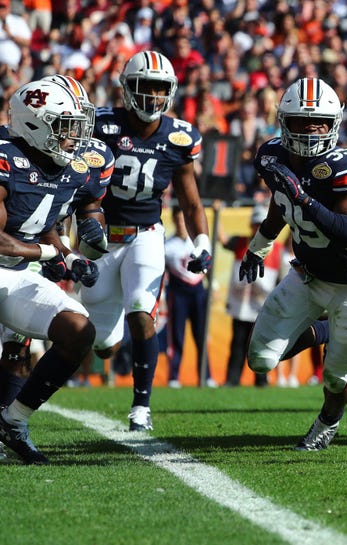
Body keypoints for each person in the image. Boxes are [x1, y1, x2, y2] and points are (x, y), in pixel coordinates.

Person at [239, 76, 347, 451]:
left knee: (337, 379)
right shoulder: (271, 155)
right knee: (259, 359)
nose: (311, 130)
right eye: (302, 122)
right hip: (308, 275)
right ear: (284, 123)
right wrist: (259, 245)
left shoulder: (345, 166)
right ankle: (322, 331)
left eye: (319, 121)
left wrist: (304, 199)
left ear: (334, 123)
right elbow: (280, 201)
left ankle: (327, 422)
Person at [80, 50, 213, 431]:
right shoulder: (100, 126)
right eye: (146, 88)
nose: (153, 97)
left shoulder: (179, 136)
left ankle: (141, 406)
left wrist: (201, 243)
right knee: (103, 344)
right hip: (99, 238)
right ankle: (113, 323)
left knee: (142, 312)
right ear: (127, 88)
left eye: (160, 89)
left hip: (146, 236)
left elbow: (190, 200)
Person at [0, 80, 102, 464]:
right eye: (64, 126)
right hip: (9, 263)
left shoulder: (68, 169)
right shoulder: (5, 157)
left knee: (78, 330)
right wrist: (46, 251)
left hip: (17, 272)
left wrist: (71, 257)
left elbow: (43, 223)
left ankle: (14, 420)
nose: (74, 137)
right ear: (34, 124)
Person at [219, 205, 276, 387]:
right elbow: (223, 239)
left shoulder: (274, 246)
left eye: (261, 224)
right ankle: (232, 379)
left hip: (262, 306)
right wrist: (218, 213)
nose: (257, 228)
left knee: (261, 344)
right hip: (240, 305)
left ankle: (261, 380)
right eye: (255, 224)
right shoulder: (240, 242)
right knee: (237, 343)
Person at [164, 207, 217, 388]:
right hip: (177, 293)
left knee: (201, 335)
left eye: (182, 220)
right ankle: (174, 376)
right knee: (176, 336)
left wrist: (213, 285)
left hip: (198, 292)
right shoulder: (167, 245)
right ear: (173, 221)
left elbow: (207, 264)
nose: (181, 223)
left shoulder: (197, 244)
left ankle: (206, 376)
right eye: (177, 220)